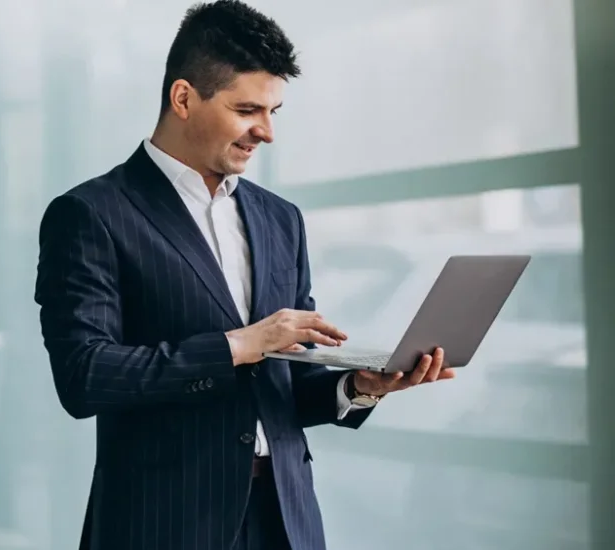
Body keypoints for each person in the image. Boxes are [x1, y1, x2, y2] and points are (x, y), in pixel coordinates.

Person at [33, 2, 455, 549]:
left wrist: (357, 388)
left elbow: (282, 387)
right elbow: (84, 376)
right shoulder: (91, 213)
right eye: (248, 109)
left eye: (275, 110)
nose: (267, 131)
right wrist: (238, 344)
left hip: (283, 519)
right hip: (161, 524)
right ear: (183, 98)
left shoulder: (281, 219)